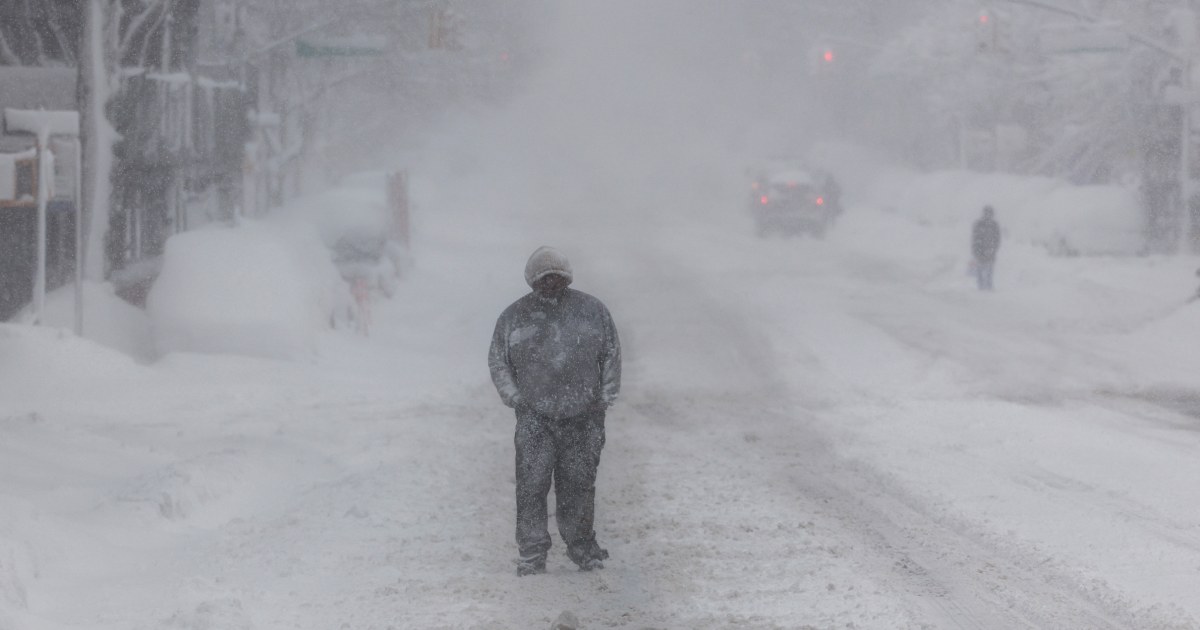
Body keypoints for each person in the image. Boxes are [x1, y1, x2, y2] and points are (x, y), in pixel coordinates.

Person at [488, 246, 622, 576]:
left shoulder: (592, 311)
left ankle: (582, 547)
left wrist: (604, 397)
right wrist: (515, 398)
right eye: (543, 279)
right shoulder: (514, 317)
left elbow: (612, 355)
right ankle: (532, 552)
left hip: (584, 417)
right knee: (531, 486)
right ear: (532, 281)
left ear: (567, 278)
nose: (551, 283)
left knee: (578, 484)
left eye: (557, 278)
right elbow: (498, 361)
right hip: (535, 418)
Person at [972, 205, 1001, 291]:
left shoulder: (995, 225)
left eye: (990, 213)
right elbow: (975, 238)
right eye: (986, 213)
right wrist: (975, 250)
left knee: (990, 270)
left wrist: (994, 248)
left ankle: (989, 285)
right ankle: (980, 287)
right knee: (980, 270)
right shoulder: (978, 224)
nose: (988, 215)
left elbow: (997, 238)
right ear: (984, 213)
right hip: (980, 251)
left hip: (990, 251)